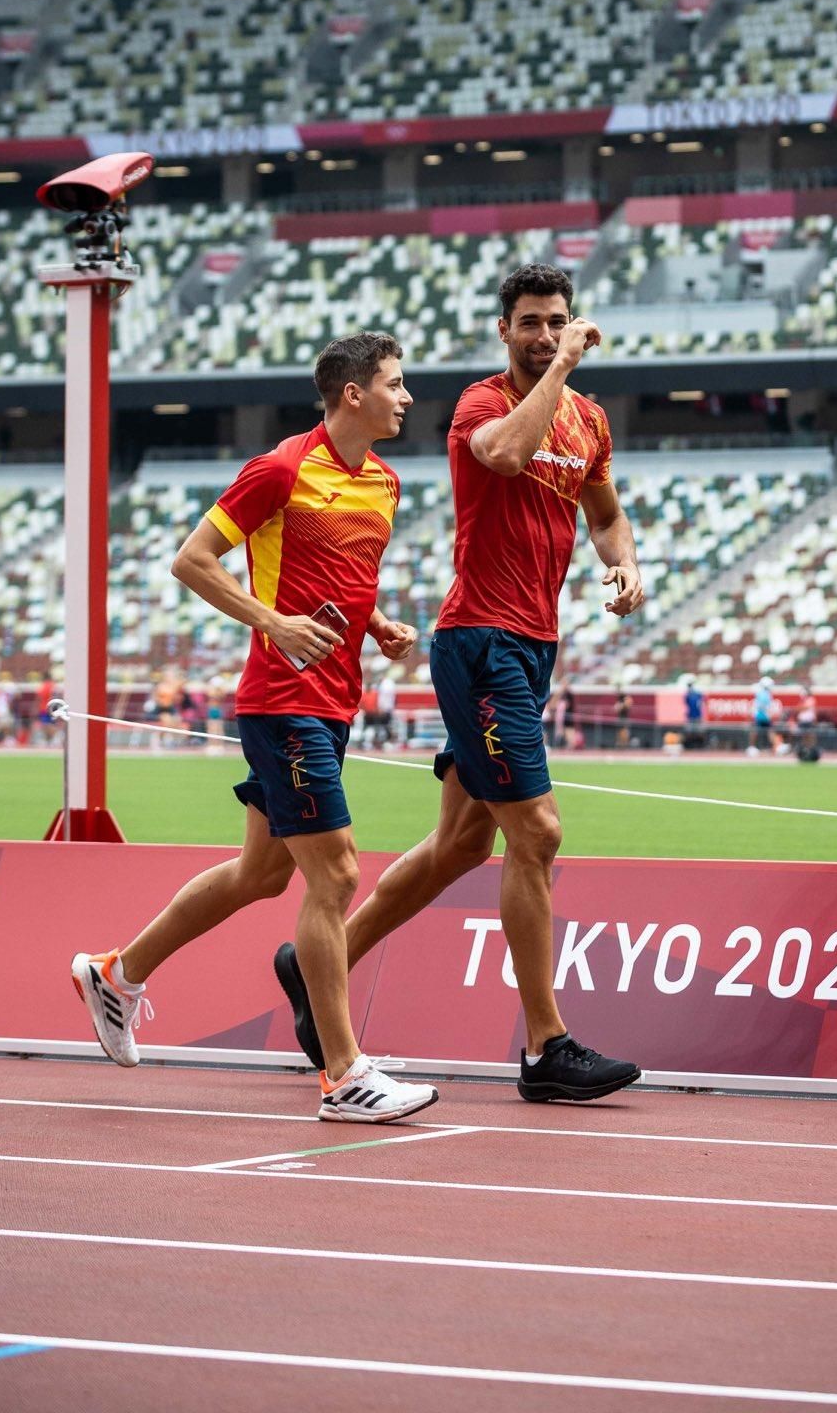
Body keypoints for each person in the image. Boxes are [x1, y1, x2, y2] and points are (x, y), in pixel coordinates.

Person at [277, 262, 646, 1104]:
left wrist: (625, 568)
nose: (545, 333)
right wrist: (559, 371)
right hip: (481, 643)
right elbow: (508, 455)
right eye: (529, 322)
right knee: (539, 835)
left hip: (532, 648)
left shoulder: (589, 421)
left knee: (460, 845)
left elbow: (607, 514)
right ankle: (544, 1048)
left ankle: (311, 964)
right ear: (505, 331)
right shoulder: (483, 405)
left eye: (557, 319)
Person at [71, 331, 436, 1125]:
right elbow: (192, 560)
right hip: (281, 698)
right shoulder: (277, 470)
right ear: (352, 393)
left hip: (334, 698)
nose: (406, 397)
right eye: (395, 384)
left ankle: (115, 972)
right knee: (334, 876)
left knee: (261, 874)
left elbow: (343, 577)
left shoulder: (384, 482)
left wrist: (376, 626)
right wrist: (274, 622)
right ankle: (344, 1076)